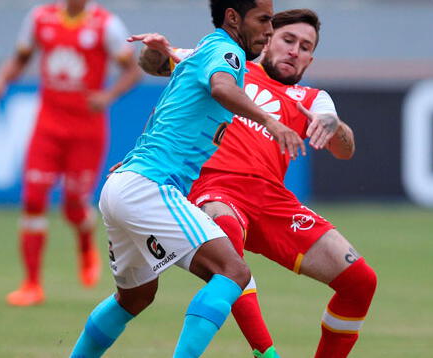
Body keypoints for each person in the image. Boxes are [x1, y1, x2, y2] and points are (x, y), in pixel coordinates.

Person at [69, 0, 306, 357]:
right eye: (263, 20)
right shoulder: (227, 52)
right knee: (233, 271)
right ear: (233, 17)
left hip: (124, 186)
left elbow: (162, 83)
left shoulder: (206, 49)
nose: (269, 30)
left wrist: (160, 53)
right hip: (149, 188)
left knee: (135, 297)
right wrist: (271, 121)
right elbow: (222, 88)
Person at [137, 9, 377, 358]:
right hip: (214, 186)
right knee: (227, 241)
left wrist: (335, 126)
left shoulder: (313, 99)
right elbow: (151, 63)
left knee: (361, 281)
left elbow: (345, 148)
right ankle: (265, 351)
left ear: (311, 57)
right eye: (288, 40)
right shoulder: (229, 63)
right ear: (267, 39)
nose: (295, 50)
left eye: (305, 46)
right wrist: (156, 50)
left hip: (272, 200)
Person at [0, 0, 141, 306]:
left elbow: (133, 71)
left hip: (86, 132)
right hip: (47, 127)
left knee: (73, 204)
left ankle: (85, 244)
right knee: (33, 199)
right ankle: (31, 284)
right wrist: (2, 78)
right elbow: (21, 57)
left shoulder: (105, 24)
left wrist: (108, 95)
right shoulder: (40, 18)